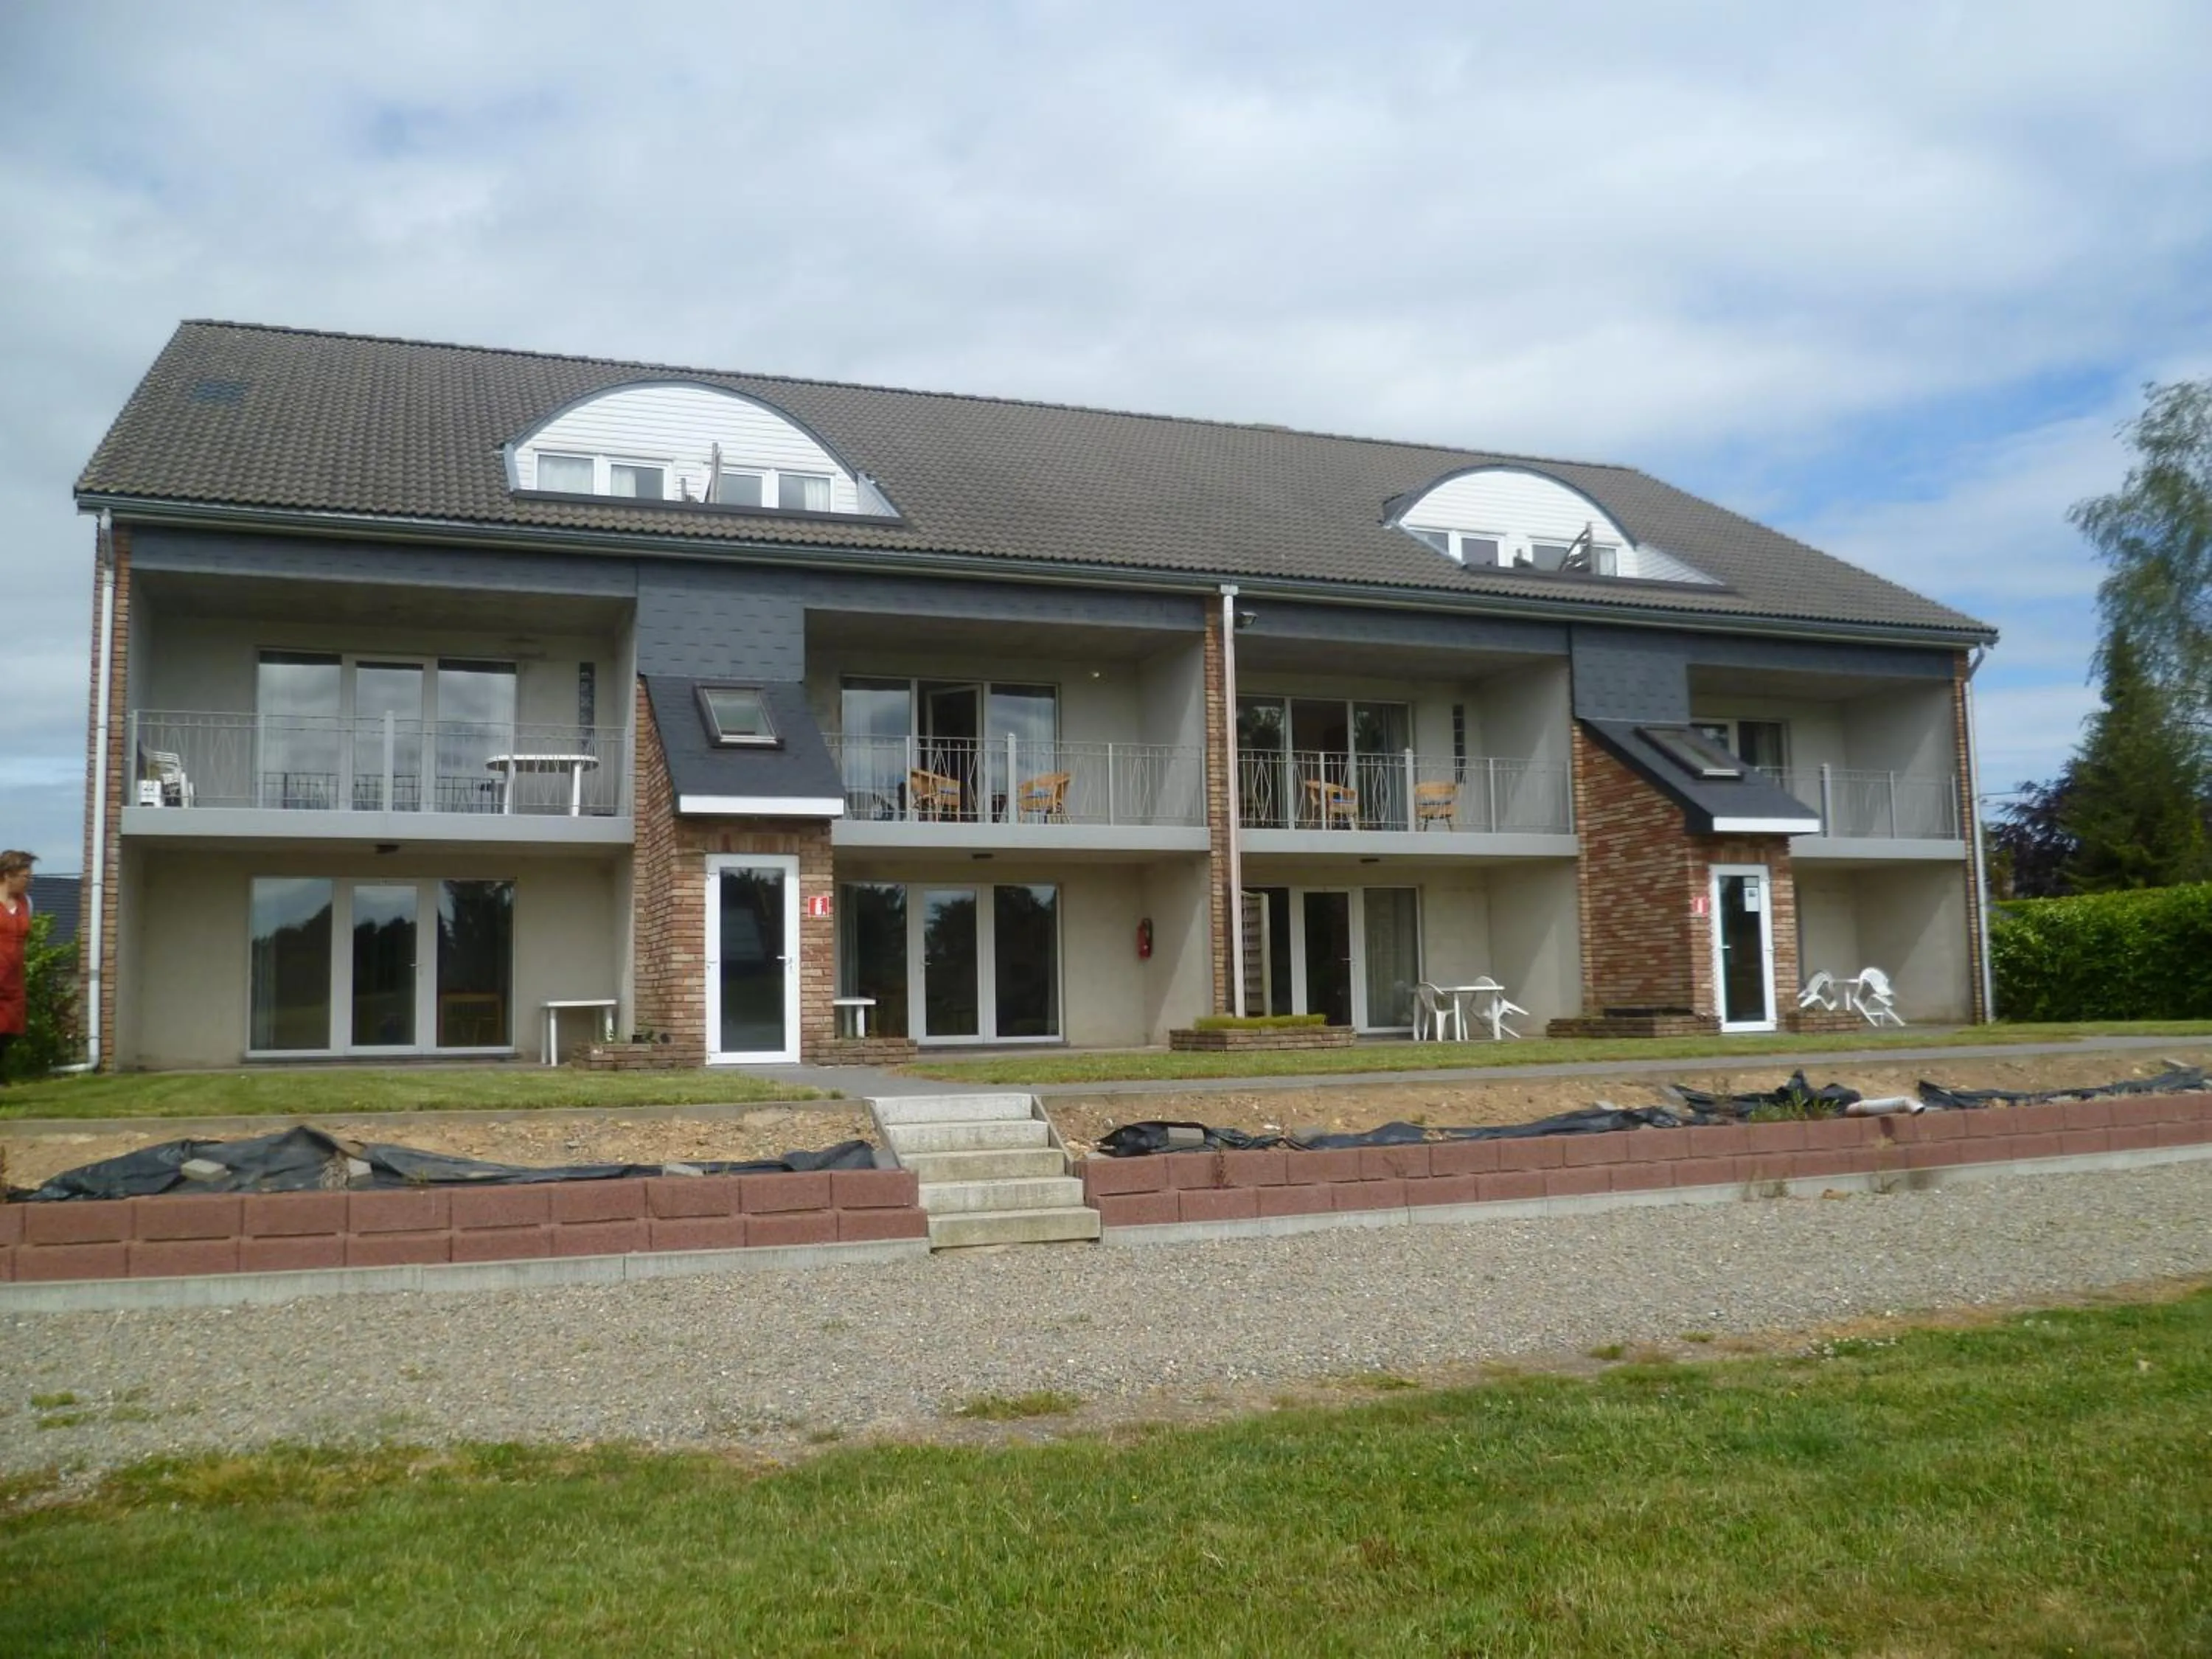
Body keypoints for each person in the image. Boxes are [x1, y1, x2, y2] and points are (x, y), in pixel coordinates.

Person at [0, 850, 34, 1081]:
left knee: (5, 1033)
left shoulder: (26, 903)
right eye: (25, 876)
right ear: (7, 875)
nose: (29, 881)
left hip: (12, 981)